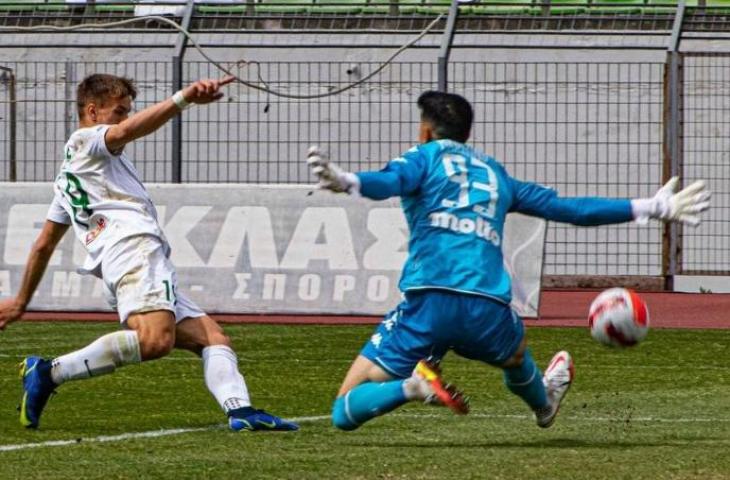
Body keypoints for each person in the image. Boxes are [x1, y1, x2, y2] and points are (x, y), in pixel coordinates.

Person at [306, 90, 711, 431]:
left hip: (428, 301)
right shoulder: (494, 173)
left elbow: (389, 182)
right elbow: (569, 209)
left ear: (426, 129)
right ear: (468, 133)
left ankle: (411, 386)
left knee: (344, 409)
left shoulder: (422, 158)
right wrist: (652, 205)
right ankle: (543, 404)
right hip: (487, 306)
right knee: (516, 358)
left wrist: (347, 181)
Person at [0, 73, 298, 432]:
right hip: (134, 251)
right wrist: (183, 99)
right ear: (92, 112)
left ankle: (241, 411)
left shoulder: (74, 175)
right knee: (155, 341)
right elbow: (123, 133)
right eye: (119, 112)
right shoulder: (86, 142)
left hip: (129, 258)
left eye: (128, 112)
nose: (124, 120)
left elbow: (44, 243)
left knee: (213, 338)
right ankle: (49, 372)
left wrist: (20, 301)